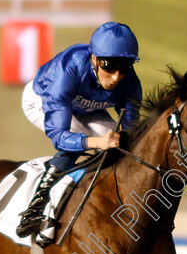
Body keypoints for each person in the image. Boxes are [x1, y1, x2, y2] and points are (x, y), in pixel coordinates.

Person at [16, 22, 143, 239]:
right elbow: (59, 136)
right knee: (77, 142)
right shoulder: (67, 69)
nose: (115, 77)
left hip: (87, 107)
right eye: (109, 66)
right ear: (94, 59)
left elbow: (132, 133)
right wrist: (95, 143)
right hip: (42, 100)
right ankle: (36, 207)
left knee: (122, 146)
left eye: (124, 68)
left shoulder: (130, 83)